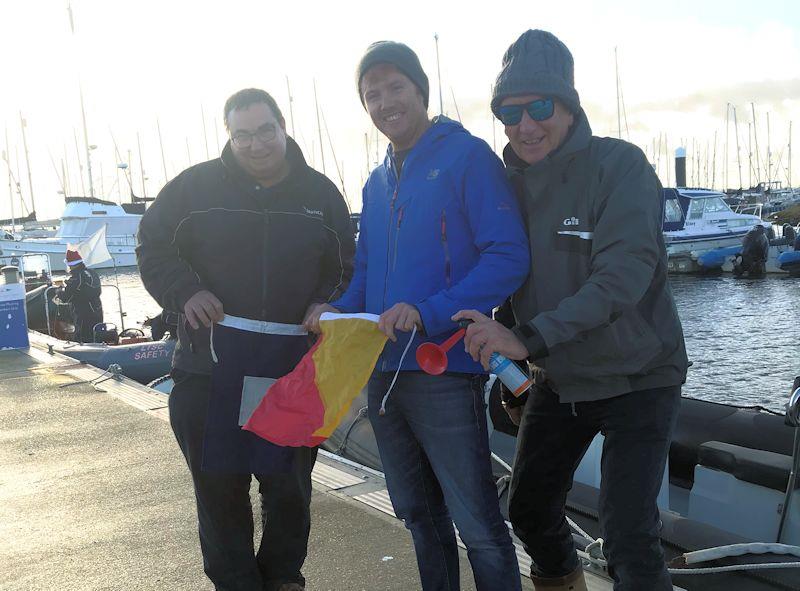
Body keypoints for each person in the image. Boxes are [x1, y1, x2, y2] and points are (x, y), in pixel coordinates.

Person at [454, 29, 689, 591]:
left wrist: (527, 339)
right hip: (558, 378)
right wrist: (507, 349)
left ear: (569, 106)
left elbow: (623, 277)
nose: (525, 125)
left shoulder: (620, 166)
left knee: (629, 536)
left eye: (540, 107)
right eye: (510, 114)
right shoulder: (503, 182)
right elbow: (509, 274)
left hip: (640, 375)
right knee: (530, 511)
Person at [306, 41, 529, 591]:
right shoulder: (376, 181)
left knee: (477, 523)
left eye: (395, 87)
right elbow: (366, 276)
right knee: (418, 517)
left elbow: (509, 256)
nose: (385, 102)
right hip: (382, 372)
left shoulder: (467, 157)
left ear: (420, 91)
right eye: (371, 94)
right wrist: (334, 310)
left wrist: (427, 311)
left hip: (443, 369)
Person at [136, 88, 354, 591]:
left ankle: (283, 579)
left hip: (292, 375)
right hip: (206, 371)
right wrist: (184, 292)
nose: (255, 144)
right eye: (243, 135)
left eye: (265, 131)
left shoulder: (320, 195)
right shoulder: (192, 189)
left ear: (283, 126)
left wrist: (328, 302)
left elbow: (345, 266)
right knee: (219, 495)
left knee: (289, 491)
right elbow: (152, 245)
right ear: (229, 136)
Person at [58, 249, 102, 342]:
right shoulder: (92, 272)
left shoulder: (76, 277)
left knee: (83, 335)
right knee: (97, 332)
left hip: (84, 312)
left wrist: (58, 291)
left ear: (71, 264)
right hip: (97, 308)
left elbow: (66, 297)